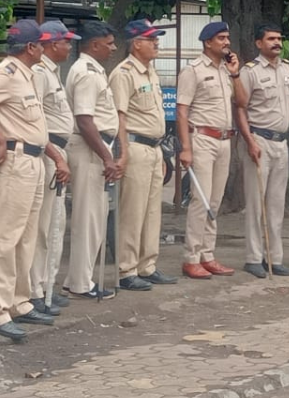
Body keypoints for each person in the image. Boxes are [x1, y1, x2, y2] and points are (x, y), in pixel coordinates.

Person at [0, 19, 70, 342]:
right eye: (40, 44)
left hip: (35, 159)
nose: (43, 48)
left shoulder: (30, 75)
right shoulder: (6, 74)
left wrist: (56, 156)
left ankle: (18, 302)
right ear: (31, 47)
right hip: (16, 161)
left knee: (25, 237)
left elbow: (33, 126)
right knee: (4, 239)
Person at [109, 19, 179, 291]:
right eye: (151, 39)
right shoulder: (124, 73)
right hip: (135, 147)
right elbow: (120, 116)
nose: (156, 43)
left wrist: (161, 153)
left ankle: (146, 265)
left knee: (152, 211)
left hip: (153, 147)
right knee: (132, 211)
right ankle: (126, 270)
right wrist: (123, 153)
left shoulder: (150, 72)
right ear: (136, 43)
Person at [235, 23, 289, 278]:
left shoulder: (287, 68)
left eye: (279, 39)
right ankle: (254, 258)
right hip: (259, 141)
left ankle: (274, 258)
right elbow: (240, 108)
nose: (276, 43)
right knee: (256, 203)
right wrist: (249, 141)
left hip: (281, 143)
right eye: (271, 39)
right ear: (258, 43)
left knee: (276, 204)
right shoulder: (250, 71)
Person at [177, 21, 242, 279]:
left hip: (225, 140)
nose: (227, 42)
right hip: (202, 138)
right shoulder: (193, 70)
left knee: (214, 201)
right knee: (200, 200)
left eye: (227, 37)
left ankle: (208, 254)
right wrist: (185, 148)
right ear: (208, 42)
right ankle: (191, 257)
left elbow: (243, 102)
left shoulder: (227, 70)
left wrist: (236, 73)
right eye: (222, 38)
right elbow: (181, 110)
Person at [62, 21, 122, 300]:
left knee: (95, 217)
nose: (113, 48)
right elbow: (85, 121)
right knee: (88, 219)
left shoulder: (94, 71)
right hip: (89, 150)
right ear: (94, 44)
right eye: (109, 43)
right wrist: (106, 156)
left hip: (96, 148)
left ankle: (78, 279)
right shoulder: (86, 73)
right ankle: (81, 284)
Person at [27, 20, 79, 317]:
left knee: (55, 225)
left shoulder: (52, 72)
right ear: (50, 43)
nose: (69, 46)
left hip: (57, 149)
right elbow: (34, 121)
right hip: (47, 151)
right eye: (66, 41)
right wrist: (55, 157)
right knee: (43, 228)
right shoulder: (39, 73)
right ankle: (35, 290)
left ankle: (46, 286)